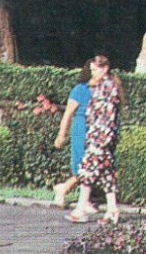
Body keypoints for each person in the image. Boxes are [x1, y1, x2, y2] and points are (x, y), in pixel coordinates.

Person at [68, 55, 122, 224]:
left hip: (101, 137)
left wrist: (102, 139)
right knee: (106, 174)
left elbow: (107, 115)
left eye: (96, 70)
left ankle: (80, 209)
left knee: (87, 170)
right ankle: (112, 210)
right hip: (98, 136)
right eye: (92, 70)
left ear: (105, 69)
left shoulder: (107, 87)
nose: (93, 73)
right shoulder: (100, 86)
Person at [52, 61, 96, 210]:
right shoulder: (79, 90)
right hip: (81, 130)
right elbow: (68, 114)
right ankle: (72, 193)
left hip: (96, 131)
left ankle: (64, 189)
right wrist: (61, 135)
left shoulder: (102, 90)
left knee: (93, 164)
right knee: (83, 165)